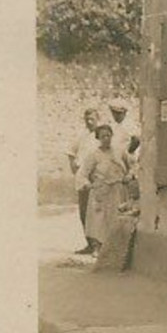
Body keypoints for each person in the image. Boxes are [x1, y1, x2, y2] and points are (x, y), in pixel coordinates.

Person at [80, 125, 131, 256]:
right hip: (101, 190)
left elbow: (132, 165)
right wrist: (87, 184)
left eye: (109, 135)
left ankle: (116, 248)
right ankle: (98, 248)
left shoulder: (119, 152)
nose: (106, 139)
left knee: (116, 218)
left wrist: (128, 176)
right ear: (98, 138)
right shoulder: (94, 155)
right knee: (99, 219)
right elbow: (83, 174)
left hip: (117, 189)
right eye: (103, 136)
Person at [67, 107, 101, 254]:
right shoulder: (81, 136)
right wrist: (73, 167)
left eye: (92, 119)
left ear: (97, 119)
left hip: (96, 179)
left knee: (95, 213)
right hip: (82, 179)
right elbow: (70, 152)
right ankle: (89, 243)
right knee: (83, 212)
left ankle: (98, 245)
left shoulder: (102, 135)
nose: (89, 122)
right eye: (86, 119)